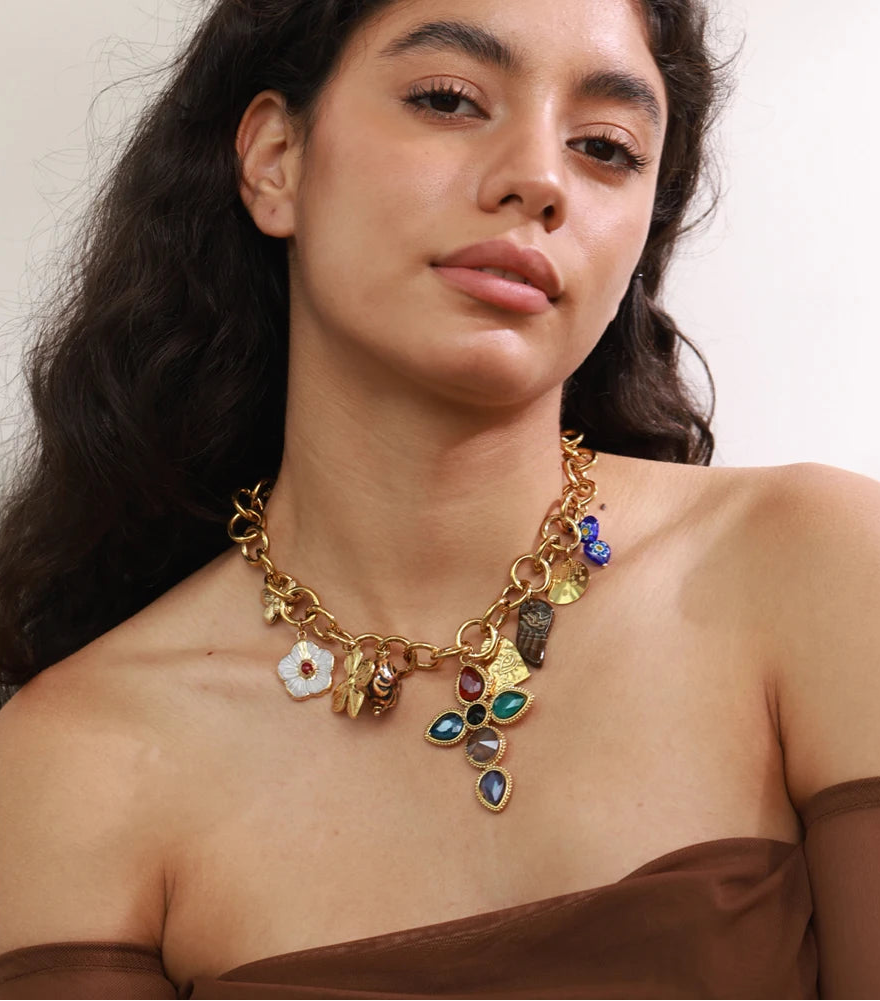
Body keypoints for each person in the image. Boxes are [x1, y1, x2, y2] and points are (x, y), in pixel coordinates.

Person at [0, 0, 878, 998]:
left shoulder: (820, 569)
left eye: (604, 147)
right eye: (449, 99)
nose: (539, 180)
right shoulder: (72, 762)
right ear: (277, 160)